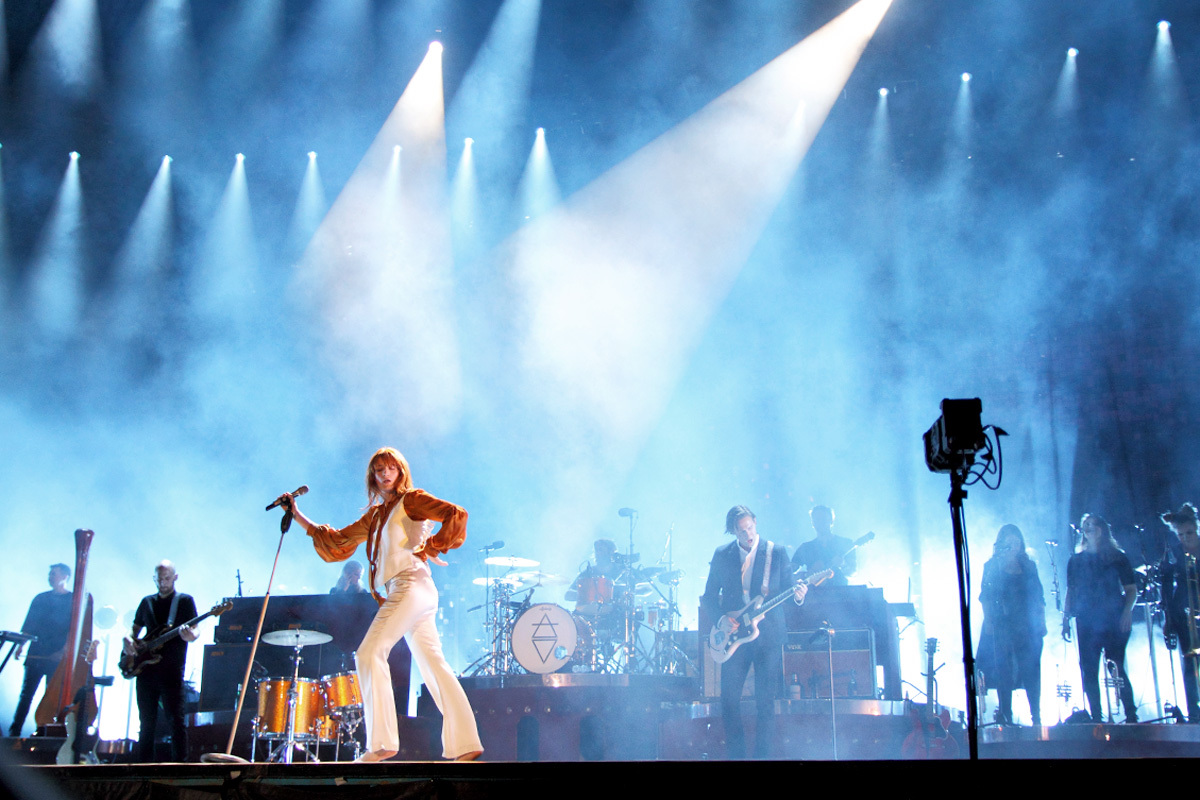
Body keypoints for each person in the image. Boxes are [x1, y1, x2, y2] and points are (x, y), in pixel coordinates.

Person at [286, 447, 483, 762]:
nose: (386, 473)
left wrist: (433, 545)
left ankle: (381, 743)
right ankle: (465, 743)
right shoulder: (375, 517)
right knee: (433, 665)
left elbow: (456, 513)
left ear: (400, 471)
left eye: (391, 467)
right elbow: (337, 540)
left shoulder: (412, 500)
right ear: (373, 477)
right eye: (379, 469)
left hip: (410, 585)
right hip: (405, 591)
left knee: (368, 653)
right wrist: (295, 514)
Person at [701, 505, 808, 758]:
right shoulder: (722, 554)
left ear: (755, 523)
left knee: (765, 704)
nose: (747, 534)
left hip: (767, 636)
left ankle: (763, 758)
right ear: (733, 533)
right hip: (734, 637)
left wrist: (800, 596)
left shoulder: (777, 552)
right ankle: (736, 756)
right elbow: (708, 597)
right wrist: (721, 620)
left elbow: (790, 591)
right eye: (741, 531)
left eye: (750, 527)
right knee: (728, 702)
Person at [1063, 514, 1138, 723]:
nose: (1088, 528)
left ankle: (1130, 713)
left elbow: (1131, 590)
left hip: (1113, 618)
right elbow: (1071, 590)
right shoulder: (1076, 560)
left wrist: (1126, 612)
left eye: (1092, 525)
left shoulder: (1117, 557)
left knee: (1117, 666)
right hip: (1086, 620)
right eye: (1085, 525)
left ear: (1102, 529)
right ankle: (1097, 716)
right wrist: (1065, 619)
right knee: (1089, 669)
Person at [975, 524, 1046, 725]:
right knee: (1002, 669)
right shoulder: (992, 566)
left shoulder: (1029, 566)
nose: (1014, 546)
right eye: (1009, 543)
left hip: (1026, 624)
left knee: (1030, 669)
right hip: (1002, 623)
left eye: (1017, 542)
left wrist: (1041, 621)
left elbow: (1039, 596)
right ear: (1001, 544)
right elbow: (985, 597)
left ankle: (1036, 716)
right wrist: (989, 621)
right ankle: (1005, 713)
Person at [127, 561, 198, 761]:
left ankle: (180, 767)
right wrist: (127, 640)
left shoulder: (184, 601)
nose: (162, 583)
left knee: (176, 720)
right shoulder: (147, 602)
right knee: (146, 723)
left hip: (172, 671)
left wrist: (190, 636)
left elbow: (195, 630)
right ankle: (143, 768)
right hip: (146, 671)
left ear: (175, 577)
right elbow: (134, 630)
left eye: (167, 578)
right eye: (159, 579)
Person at [8, 563, 74, 737]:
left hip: (56, 657)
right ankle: (15, 732)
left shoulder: (72, 600)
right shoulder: (40, 598)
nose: (50, 577)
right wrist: (20, 645)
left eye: (54, 574)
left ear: (65, 577)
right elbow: (29, 625)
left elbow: (73, 631)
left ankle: (45, 732)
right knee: (26, 695)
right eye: (50, 574)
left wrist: (62, 652)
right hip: (36, 653)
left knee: (50, 697)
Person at [1158, 502, 1200, 722]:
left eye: (1190, 533)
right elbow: (1165, 585)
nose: (1186, 538)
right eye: (1181, 535)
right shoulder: (1173, 552)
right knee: (1190, 663)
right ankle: (1195, 714)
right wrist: (1168, 618)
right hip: (1183, 613)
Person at [792, 505, 855, 586]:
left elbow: (853, 573)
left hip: (840, 593)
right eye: (817, 520)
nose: (820, 523)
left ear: (831, 521)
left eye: (824, 519)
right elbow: (789, 571)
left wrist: (843, 565)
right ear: (813, 523)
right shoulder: (806, 547)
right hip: (813, 595)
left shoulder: (845, 543)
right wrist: (805, 575)